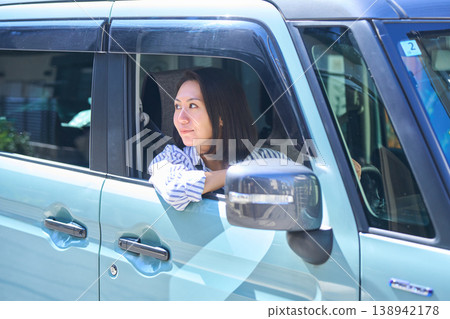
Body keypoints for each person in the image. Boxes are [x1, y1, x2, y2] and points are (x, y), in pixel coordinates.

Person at [148, 67, 287, 211]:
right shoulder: (169, 159)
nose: (181, 118)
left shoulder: (266, 158)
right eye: (177, 106)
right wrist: (241, 173)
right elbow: (174, 191)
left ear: (221, 116)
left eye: (192, 106)